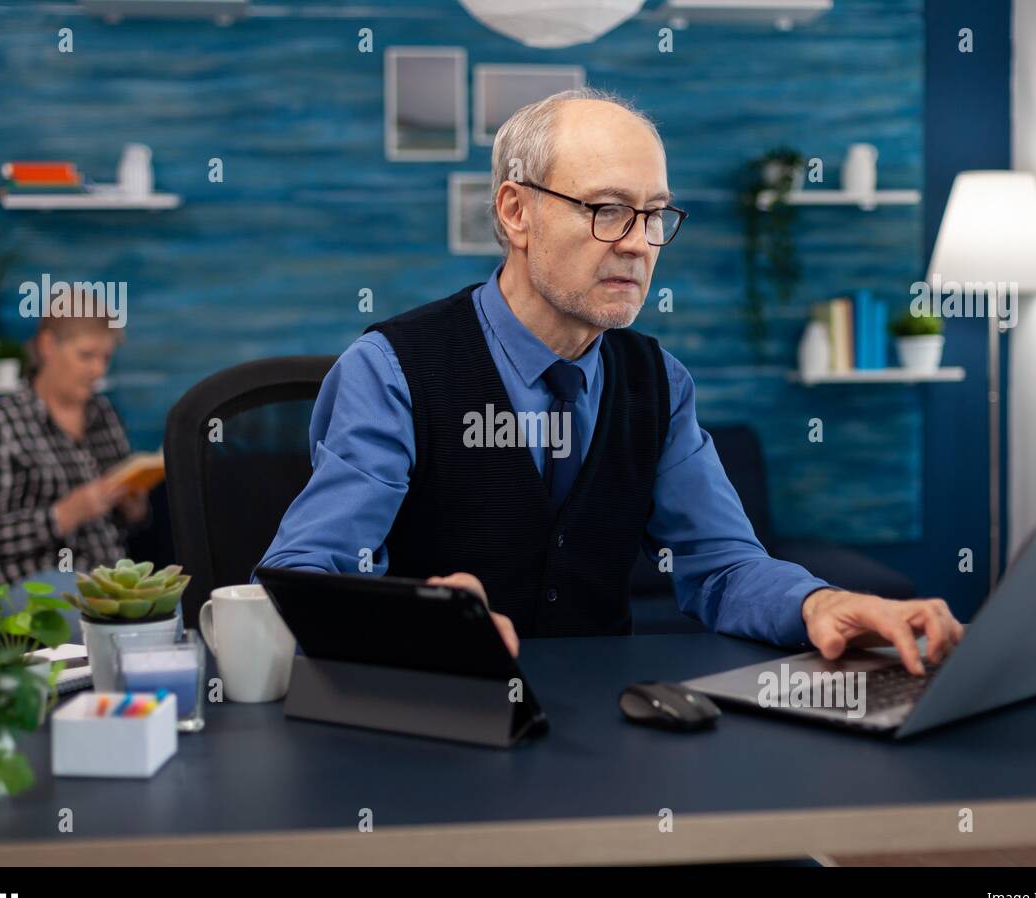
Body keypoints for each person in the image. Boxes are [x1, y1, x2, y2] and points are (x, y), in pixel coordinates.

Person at [259, 87, 963, 674]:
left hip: (608, 733)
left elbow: (722, 566)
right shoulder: (390, 369)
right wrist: (423, 619)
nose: (638, 242)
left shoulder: (659, 383)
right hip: (431, 728)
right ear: (516, 212)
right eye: (607, 209)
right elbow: (305, 577)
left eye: (655, 214)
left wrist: (820, 605)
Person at [0, 296, 148, 607]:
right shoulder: (1, 423)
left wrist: (134, 507)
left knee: (178, 609)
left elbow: (130, 524)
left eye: (105, 358)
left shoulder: (105, 415)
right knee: (84, 611)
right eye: (86, 356)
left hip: (108, 581)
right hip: (27, 587)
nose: (97, 370)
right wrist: (64, 514)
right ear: (48, 346)